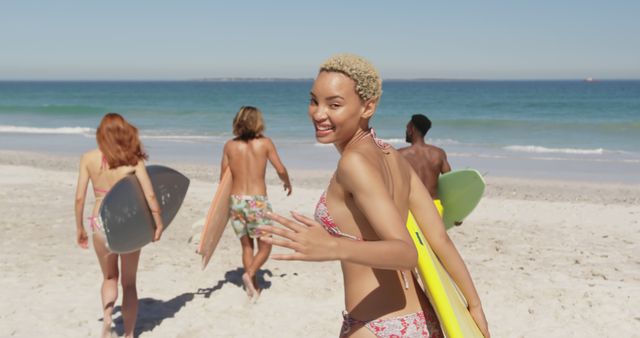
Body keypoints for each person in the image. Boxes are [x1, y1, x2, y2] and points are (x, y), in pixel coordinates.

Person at [259, 54, 489, 337]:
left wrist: (333, 247)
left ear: (367, 107)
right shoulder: (392, 156)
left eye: (334, 104)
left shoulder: (354, 163)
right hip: (422, 319)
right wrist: (474, 305)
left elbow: (406, 252)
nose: (318, 113)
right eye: (314, 100)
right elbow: (439, 238)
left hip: (377, 326)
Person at [74, 113, 164, 338]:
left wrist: (80, 228)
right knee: (129, 282)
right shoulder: (133, 160)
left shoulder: (88, 158)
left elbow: (79, 198)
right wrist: (159, 222)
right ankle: (130, 333)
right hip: (127, 224)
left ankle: (107, 319)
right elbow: (150, 195)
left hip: (99, 222)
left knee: (108, 277)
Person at [220, 106, 292, 299]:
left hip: (236, 201)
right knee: (266, 246)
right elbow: (280, 168)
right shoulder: (265, 143)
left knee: (246, 246)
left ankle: (254, 287)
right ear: (258, 122)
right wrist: (287, 182)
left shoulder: (230, 146)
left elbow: (223, 179)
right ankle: (250, 274)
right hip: (257, 202)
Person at [398, 114, 451, 217]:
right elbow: (450, 182)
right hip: (433, 208)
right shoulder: (438, 153)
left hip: (411, 208)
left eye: (407, 128)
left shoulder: (400, 155)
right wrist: (457, 212)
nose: (406, 132)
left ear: (411, 129)